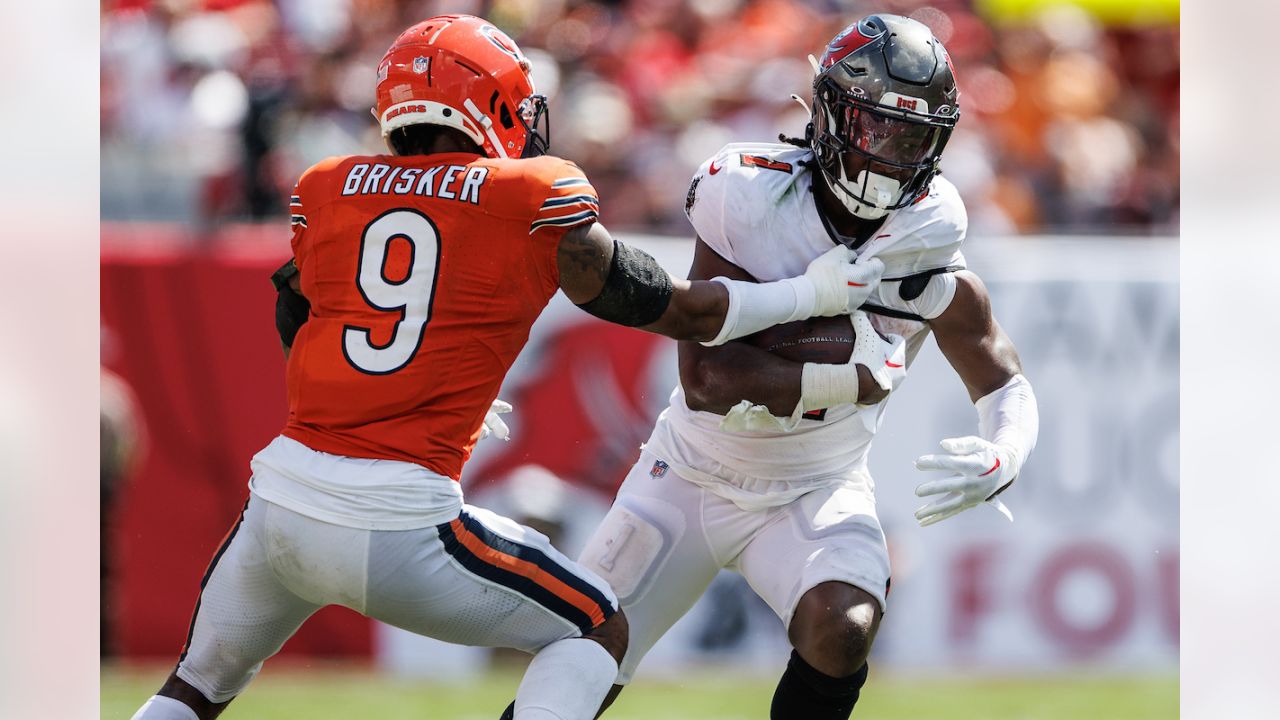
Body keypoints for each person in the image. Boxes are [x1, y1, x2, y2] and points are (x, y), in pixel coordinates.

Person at [128, 14, 891, 720]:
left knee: (192, 690)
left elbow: (296, 315)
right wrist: (810, 292)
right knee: (600, 627)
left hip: (278, 506)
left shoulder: (325, 187)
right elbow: (674, 310)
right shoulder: (531, 192)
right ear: (491, 104)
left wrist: (401, 381)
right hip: (398, 525)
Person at [574, 14, 1040, 720]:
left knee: (844, 624)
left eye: (909, 136)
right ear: (826, 114)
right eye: (872, 127)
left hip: (817, 483)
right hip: (693, 471)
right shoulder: (750, 194)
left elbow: (999, 370)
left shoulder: (928, 233)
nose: (887, 154)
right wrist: (848, 380)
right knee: (583, 659)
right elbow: (708, 381)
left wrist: (1007, 449)